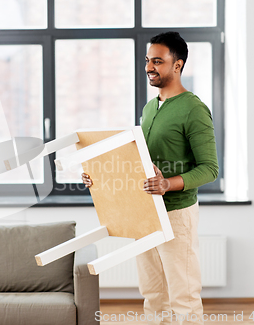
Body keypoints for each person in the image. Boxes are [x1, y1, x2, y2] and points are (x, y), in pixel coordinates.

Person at [82, 32, 218, 325]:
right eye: (147, 60)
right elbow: (138, 162)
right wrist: (100, 174)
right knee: (153, 295)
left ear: (178, 65)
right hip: (145, 214)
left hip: (176, 214)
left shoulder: (193, 108)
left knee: (183, 296)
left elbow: (209, 169)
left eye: (158, 61)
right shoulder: (149, 108)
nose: (149, 67)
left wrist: (169, 183)